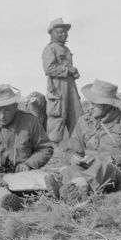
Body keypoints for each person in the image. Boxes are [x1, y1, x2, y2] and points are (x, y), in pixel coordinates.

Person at [59, 79, 121, 203]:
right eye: (90, 103)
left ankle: (77, 187)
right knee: (70, 169)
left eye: (95, 104)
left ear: (108, 104)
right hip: (87, 169)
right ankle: (68, 186)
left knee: (102, 167)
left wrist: (112, 159)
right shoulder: (83, 121)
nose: (90, 107)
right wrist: (74, 158)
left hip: (119, 173)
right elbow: (71, 151)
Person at [42, 18, 83, 148]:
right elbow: (49, 68)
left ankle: (77, 147)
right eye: (60, 32)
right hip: (57, 88)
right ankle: (52, 151)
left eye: (65, 32)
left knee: (77, 115)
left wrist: (73, 72)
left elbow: (65, 68)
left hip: (71, 87)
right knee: (58, 116)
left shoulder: (65, 49)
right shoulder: (50, 49)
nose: (64, 34)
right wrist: (68, 70)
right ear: (52, 33)